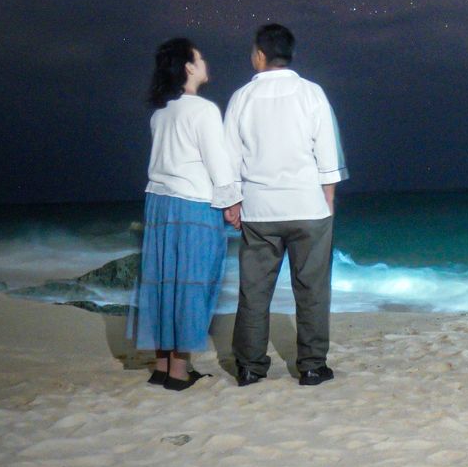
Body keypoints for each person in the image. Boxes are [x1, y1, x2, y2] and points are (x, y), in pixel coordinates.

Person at [223, 23, 349, 387]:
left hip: (260, 209)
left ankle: (250, 367)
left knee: (254, 290)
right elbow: (327, 151)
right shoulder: (311, 93)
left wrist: (231, 201)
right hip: (307, 206)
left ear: (261, 55)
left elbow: (229, 156)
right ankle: (311, 366)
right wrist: (328, 199)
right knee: (312, 290)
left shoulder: (242, 98)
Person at [127, 38, 241, 391]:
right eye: (200, 58)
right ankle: (179, 371)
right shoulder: (203, 110)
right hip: (194, 204)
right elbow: (216, 161)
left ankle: (162, 366)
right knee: (193, 282)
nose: (205, 63)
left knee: (164, 282)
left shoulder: (160, 113)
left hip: (159, 204)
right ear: (189, 67)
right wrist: (232, 202)